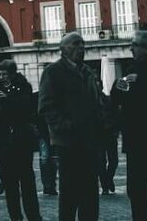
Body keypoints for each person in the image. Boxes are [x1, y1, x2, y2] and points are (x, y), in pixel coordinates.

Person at [39, 32, 102, 221]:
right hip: (68, 142)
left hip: (90, 140)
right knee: (69, 192)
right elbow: (46, 106)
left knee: (90, 192)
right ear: (63, 49)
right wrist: (66, 126)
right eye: (76, 44)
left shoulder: (88, 71)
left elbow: (97, 100)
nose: (81, 48)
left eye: (82, 44)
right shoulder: (53, 72)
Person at [111, 30, 147, 221]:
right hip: (135, 141)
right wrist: (117, 87)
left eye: (135, 45)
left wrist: (140, 83)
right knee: (136, 191)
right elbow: (118, 98)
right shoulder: (131, 67)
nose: (131, 48)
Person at [0, 59, 41, 221]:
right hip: (4, 141)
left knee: (27, 181)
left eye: (4, 73)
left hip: (22, 140)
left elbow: (26, 107)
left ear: (12, 73)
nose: (1, 77)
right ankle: (15, 217)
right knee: (9, 183)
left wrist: (7, 100)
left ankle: (33, 215)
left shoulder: (23, 85)